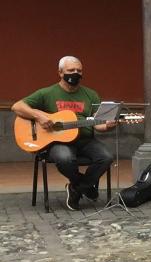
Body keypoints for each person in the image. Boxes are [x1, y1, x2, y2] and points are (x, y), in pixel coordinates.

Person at [12, 56, 117, 210]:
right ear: (60, 73)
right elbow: (17, 106)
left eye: (79, 70)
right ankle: (86, 187)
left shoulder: (91, 94)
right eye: (71, 70)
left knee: (106, 157)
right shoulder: (47, 93)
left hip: (86, 140)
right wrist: (39, 116)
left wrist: (108, 126)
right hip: (58, 141)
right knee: (64, 158)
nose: (75, 73)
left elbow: (98, 125)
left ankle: (77, 188)